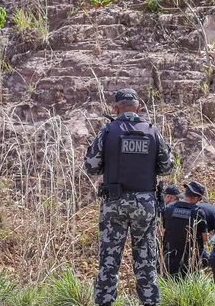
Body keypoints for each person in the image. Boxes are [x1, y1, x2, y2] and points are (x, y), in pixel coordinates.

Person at [85, 88, 174, 306]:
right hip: (145, 204)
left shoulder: (107, 131)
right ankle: (150, 302)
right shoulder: (152, 132)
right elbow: (167, 167)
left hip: (114, 202)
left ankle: (105, 302)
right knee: (146, 260)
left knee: (109, 260)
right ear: (139, 108)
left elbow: (91, 166)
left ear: (116, 109)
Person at [162, 182, 211, 277]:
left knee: (168, 281)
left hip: (169, 256)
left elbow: (164, 228)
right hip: (189, 259)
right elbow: (205, 239)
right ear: (197, 198)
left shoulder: (169, 209)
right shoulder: (198, 212)